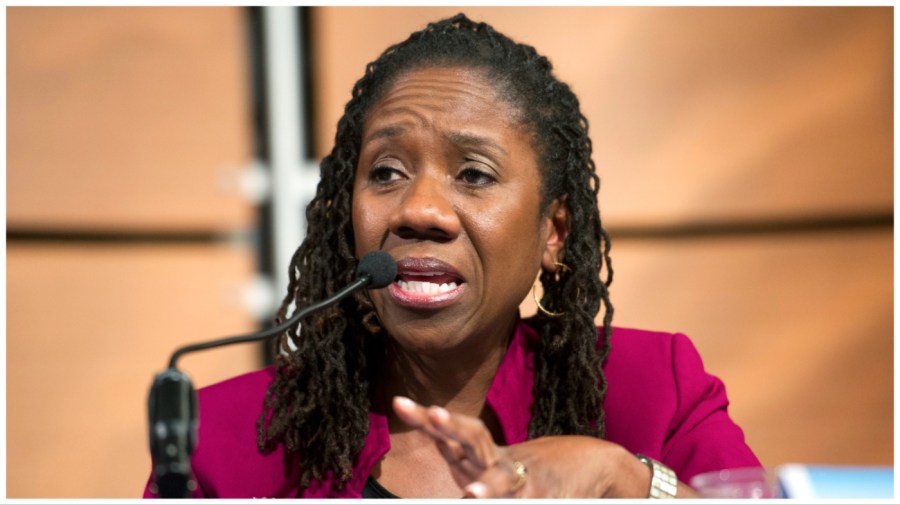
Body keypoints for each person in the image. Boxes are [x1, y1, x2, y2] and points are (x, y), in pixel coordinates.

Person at [144, 13, 760, 499]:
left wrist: (625, 481)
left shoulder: (654, 390)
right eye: (385, 172)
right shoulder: (229, 439)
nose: (419, 211)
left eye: (474, 174)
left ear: (554, 230)